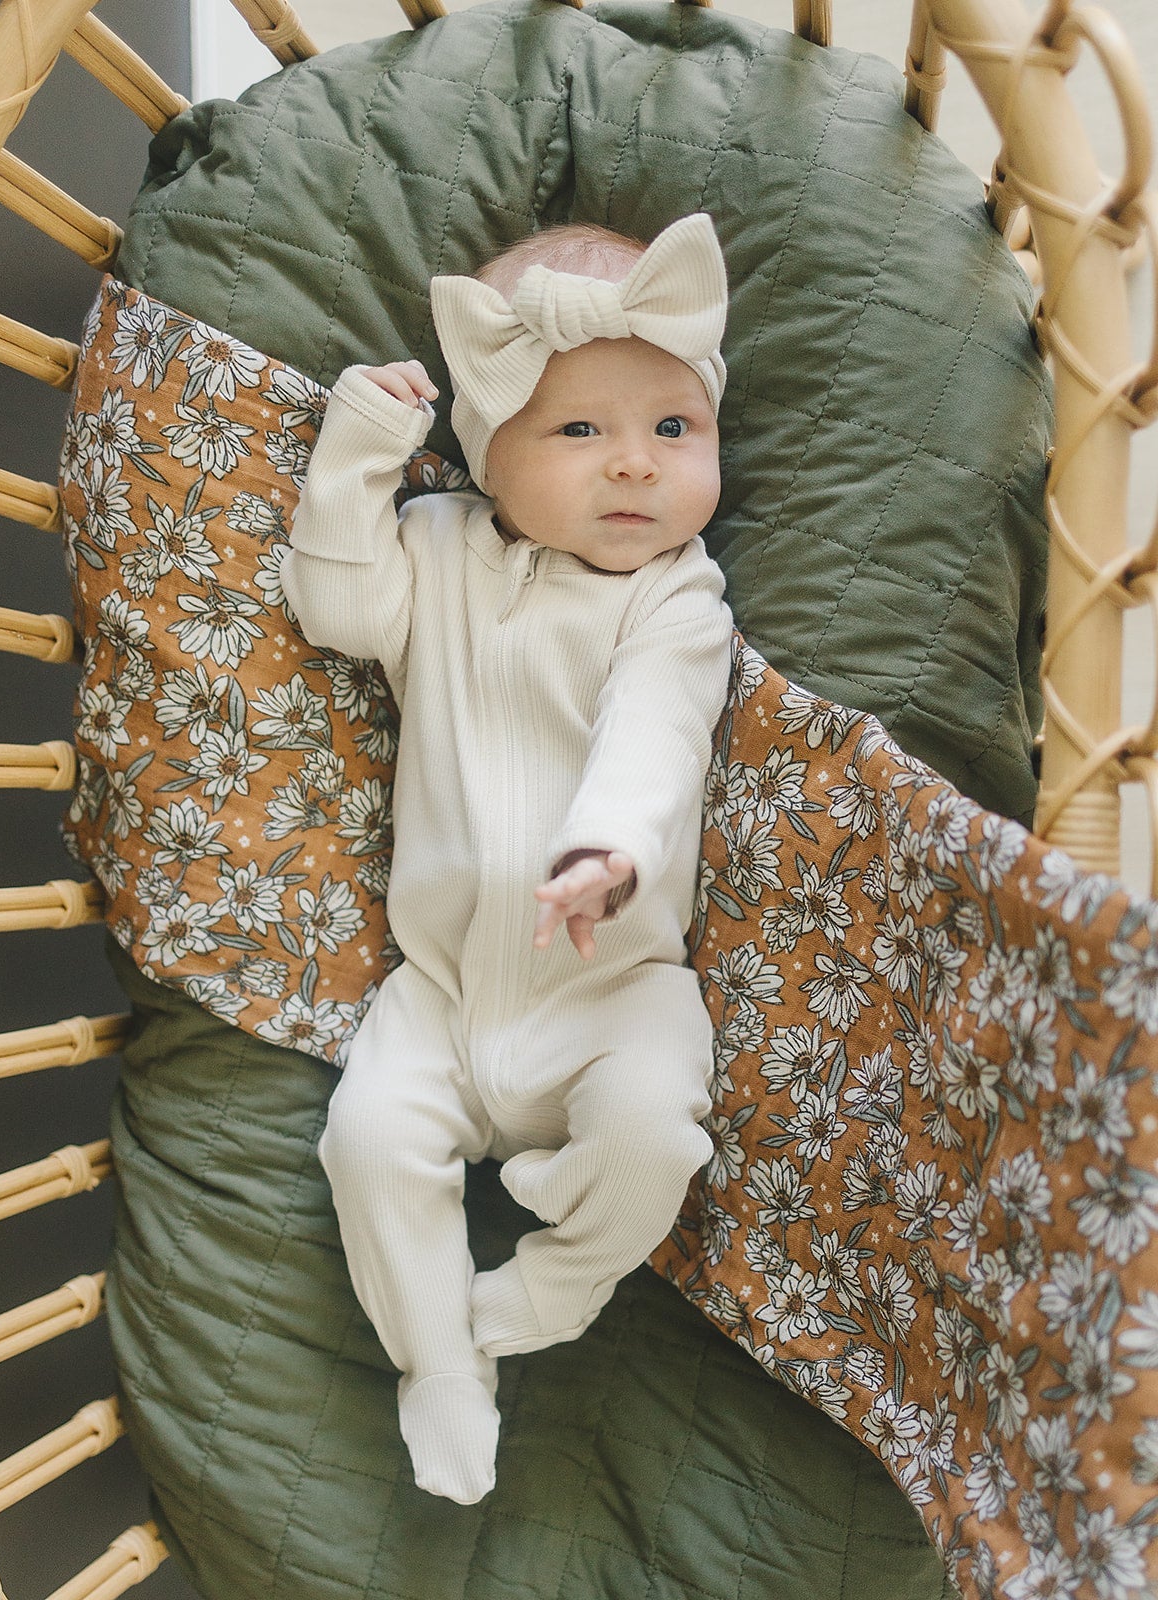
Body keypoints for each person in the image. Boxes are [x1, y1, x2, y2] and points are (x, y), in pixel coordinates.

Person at [281, 212, 735, 1505]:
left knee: (654, 1136)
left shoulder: (676, 596)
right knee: (368, 1144)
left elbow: (658, 730)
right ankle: (437, 1363)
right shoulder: (434, 549)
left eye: (674, 428)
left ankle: (551, 1286)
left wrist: (609, 848)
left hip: (614, 987)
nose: (635, 465)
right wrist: (358, 455)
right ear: (488, 452)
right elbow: (335, 604)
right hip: (439, 991)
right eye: (579, 430)